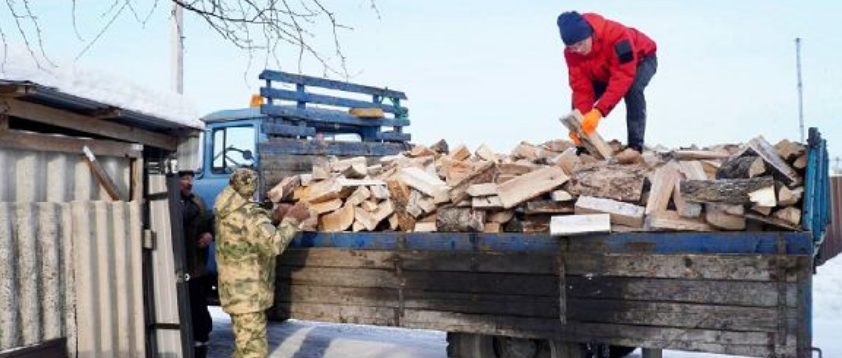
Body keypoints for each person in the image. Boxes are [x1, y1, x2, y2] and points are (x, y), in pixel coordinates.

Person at [213, 168, 311, 358]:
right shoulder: (251, 216)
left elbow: (249, 230)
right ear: (252, 187)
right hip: (249, 297)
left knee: (243, 350)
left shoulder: (226, 207)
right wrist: (292, 219)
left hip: (235, 293)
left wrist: (273, 214)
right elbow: (274, 245)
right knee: (254, 352)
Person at [557, 11, 658, 152]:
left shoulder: (618, 36)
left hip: (641, 61)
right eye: (573, 47)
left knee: (632, 90)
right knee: (577, 104)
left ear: (589, 34)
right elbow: (581, 88)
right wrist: (579, 123)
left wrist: (599, 111)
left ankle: (635, 146)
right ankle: (584, 145)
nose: (578, 50)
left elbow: (622, 77)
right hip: (604, 71)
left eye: (580, 43)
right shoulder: (571, 54)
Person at [178, 170, 214, 358]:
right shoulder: (167, 201)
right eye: (184, 178)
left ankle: (200, 350)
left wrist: (210, 235)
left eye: (190, 178)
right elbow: (181, 218)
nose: (189, 182)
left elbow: (211, 222)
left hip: (196, 271)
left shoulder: (198, 201)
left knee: (200, 318)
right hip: (176, 273)